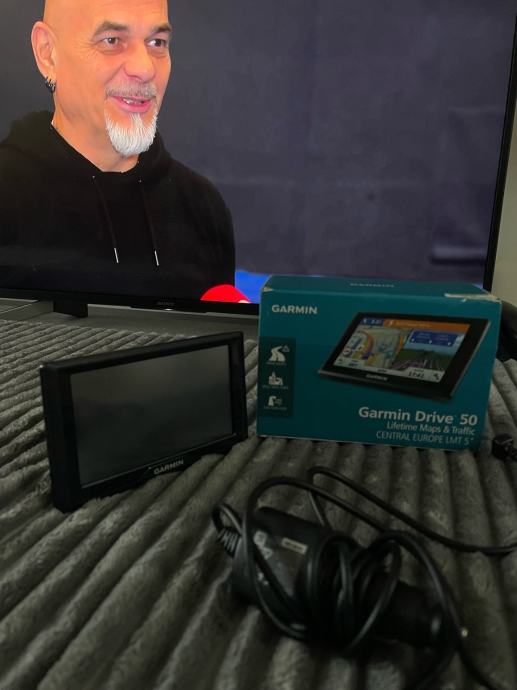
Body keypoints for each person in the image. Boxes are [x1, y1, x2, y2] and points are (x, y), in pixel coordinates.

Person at [0, 0, 235, 300]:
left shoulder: (202, 208)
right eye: (112, 41)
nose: (144, 68)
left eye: (157, 42)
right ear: (48, 53)